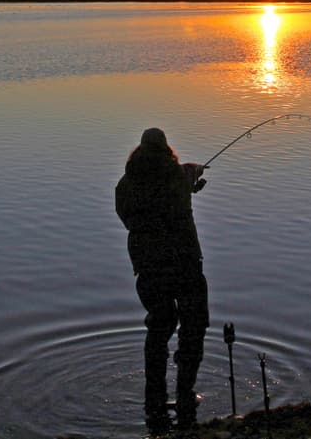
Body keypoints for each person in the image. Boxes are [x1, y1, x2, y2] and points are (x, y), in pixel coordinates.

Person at [116, 127, 209, 433]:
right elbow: (187, 175)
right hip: (184, 262)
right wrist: (192, 179)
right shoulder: (179, 177)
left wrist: (188, 185)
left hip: (147, 265)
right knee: (193, 324)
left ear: (139, 152)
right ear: (168, 150)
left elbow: (133, 217)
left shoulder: (125, 186)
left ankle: (154, 398)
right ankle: (185, 393)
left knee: (159, 325)